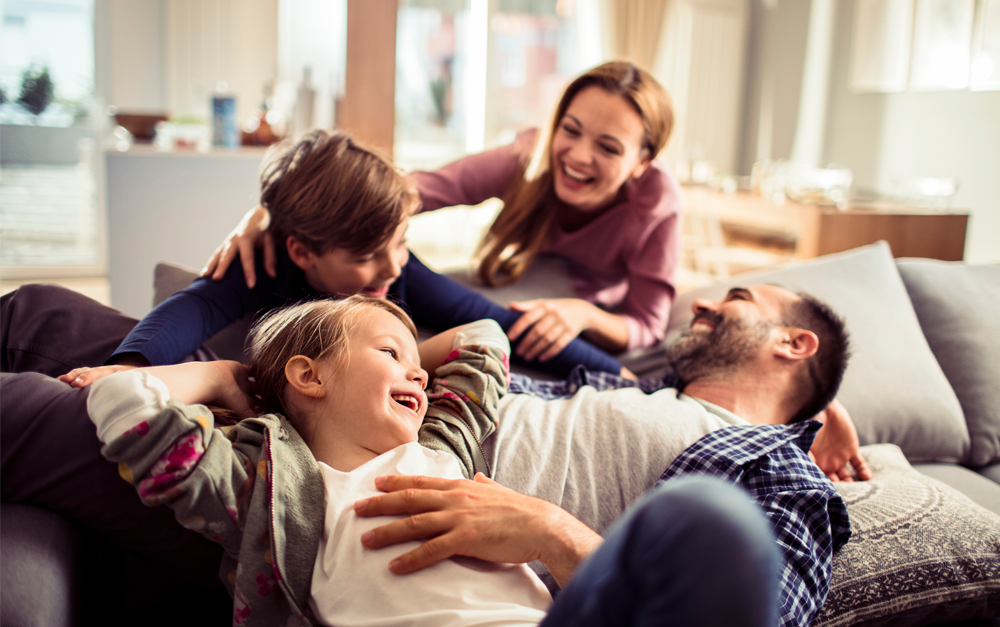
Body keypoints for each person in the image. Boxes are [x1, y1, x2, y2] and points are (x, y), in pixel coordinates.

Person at [0, 282, 863, 625]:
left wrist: (550, 531)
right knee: (40, 313)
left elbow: (748, 609)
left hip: (323, 514)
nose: (706, 297)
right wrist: (244, 370)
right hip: (323, 405)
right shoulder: (631, 386)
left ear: (791, 346)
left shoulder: (771, 462)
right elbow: (479, 335)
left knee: (28, 411)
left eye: (738, 297)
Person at [206, 61, 680, 364]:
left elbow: (647, 323)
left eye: (608, 147)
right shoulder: (528, 157)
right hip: (515, 278)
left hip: (583, 304)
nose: (578, 155)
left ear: (642, 161)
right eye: (571, 130)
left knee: (441, 325)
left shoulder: (655, 202)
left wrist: (585, 316)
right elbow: (403, 193)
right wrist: (273, 213)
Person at [92, 128, 625, 382]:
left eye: (401, 242)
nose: (392, 266)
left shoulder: (398, 272)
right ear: (302, 252)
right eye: (370, 255)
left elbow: (487, 318)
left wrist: (623, 376)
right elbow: (193, 308)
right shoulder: (265, 265)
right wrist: (130, 367)